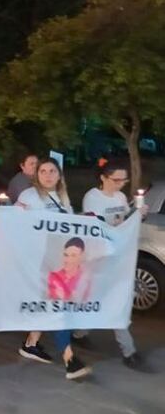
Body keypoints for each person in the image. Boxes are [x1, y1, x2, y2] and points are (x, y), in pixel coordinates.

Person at [15, 158, 92, 380]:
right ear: (36, 175)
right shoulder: (28, 197)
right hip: (38, 262)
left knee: (52, 305)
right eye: (43, 171)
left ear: (59, 175)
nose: (48, 175)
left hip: (56, 261)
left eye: (52, 171)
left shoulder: (63, 198)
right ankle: (69, 358)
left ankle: (30, 344)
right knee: (58, 306)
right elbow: (16, 226)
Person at [79, 159, 147, 371]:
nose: (120, 184)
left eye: (123, 180)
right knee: (95, 297)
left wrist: (137, 215)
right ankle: (79, 333)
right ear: (103, 177)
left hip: (118, 257)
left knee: (116, 299)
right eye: (116, 180)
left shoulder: (119, 197)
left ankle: (129, 351)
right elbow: (96, 227)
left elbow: (124, 219)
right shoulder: (92, 198)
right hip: (99, 258)